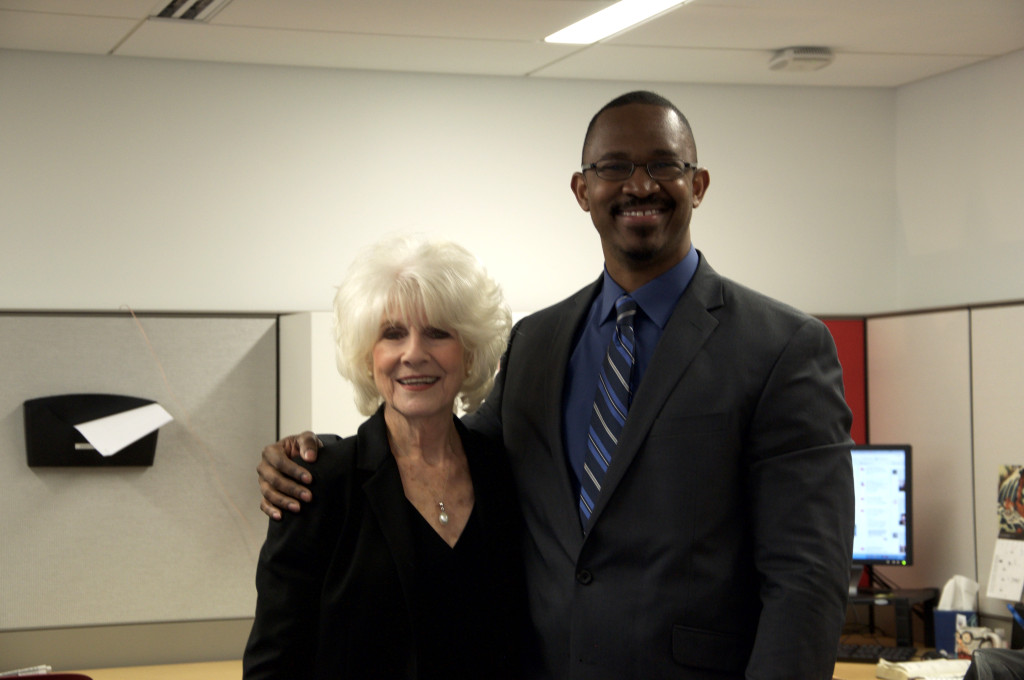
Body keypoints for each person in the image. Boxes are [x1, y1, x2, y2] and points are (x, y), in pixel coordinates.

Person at [258, 91, 855, 679]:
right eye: (613, 167)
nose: (639, 185)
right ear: (582, 190)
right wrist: (312, 458)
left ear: (697, 185)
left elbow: (807, 575)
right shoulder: (537, 343)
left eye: (663, 165)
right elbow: (445, 444)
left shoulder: (781, 348)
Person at [243, 237, 523, 679]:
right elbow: (273, 665)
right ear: (367, 356)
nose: (414, 353)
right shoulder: (315, 484)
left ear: (469, 353)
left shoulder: (505, 473)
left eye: (437, 333)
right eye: (393, 334)